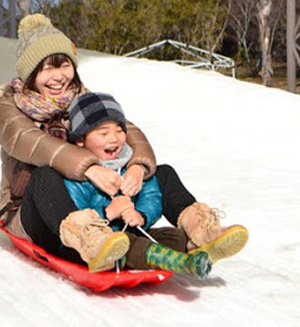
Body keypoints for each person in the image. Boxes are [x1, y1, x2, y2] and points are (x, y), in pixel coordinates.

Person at [0, 13, 248, 274]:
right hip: (34, 210)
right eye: (48, 68)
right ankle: (89, 241)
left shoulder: (81, 99)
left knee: (163, 174)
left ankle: (201, 231)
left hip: (98, 203)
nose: (59, 77)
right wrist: (89, 168)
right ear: (31, 73)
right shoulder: (8, 107)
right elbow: (34, 143)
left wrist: (138, 166)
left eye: (65, 66)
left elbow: (128, 130)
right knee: (45, 177)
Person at [60, 92, 212, 278]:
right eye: (103, 133)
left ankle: (140, 257)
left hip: (132, 230)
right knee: (125, 242)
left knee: (175, 237)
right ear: (80, 140)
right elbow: (74, 215)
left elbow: (152, 195)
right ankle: (180, 262)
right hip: (95, 243)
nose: (114, 139)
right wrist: (107, 212)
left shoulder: (127, 165)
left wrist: (141, 215)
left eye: (119, 130)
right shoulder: (79, 175)